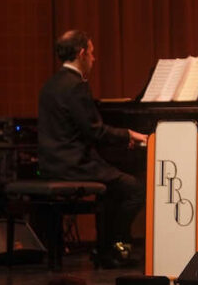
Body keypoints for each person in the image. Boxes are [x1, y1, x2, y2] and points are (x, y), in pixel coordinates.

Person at [38, 30, 147, 268]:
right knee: (136, 189)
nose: (94, 59)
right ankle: (112, 247)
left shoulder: (51, 84)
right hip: (75, 166)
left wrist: (117, 139)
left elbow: (81, 130)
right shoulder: (76, 86)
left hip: (53, 164)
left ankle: (107, 248)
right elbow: (95, 132)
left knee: (114, 188)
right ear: (81, 54)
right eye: (92, 53)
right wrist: (129, 134)